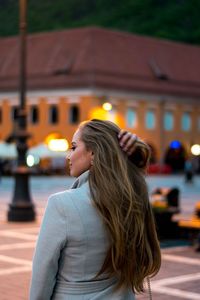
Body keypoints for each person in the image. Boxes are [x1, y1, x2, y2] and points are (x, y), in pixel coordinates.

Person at [30, 119, 161, 300]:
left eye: (74, 147)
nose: (69, 156)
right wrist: (135, 156)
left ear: (93, 153)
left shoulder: (61, 204)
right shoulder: (132, 199)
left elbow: (43, 274)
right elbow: (136, 177)